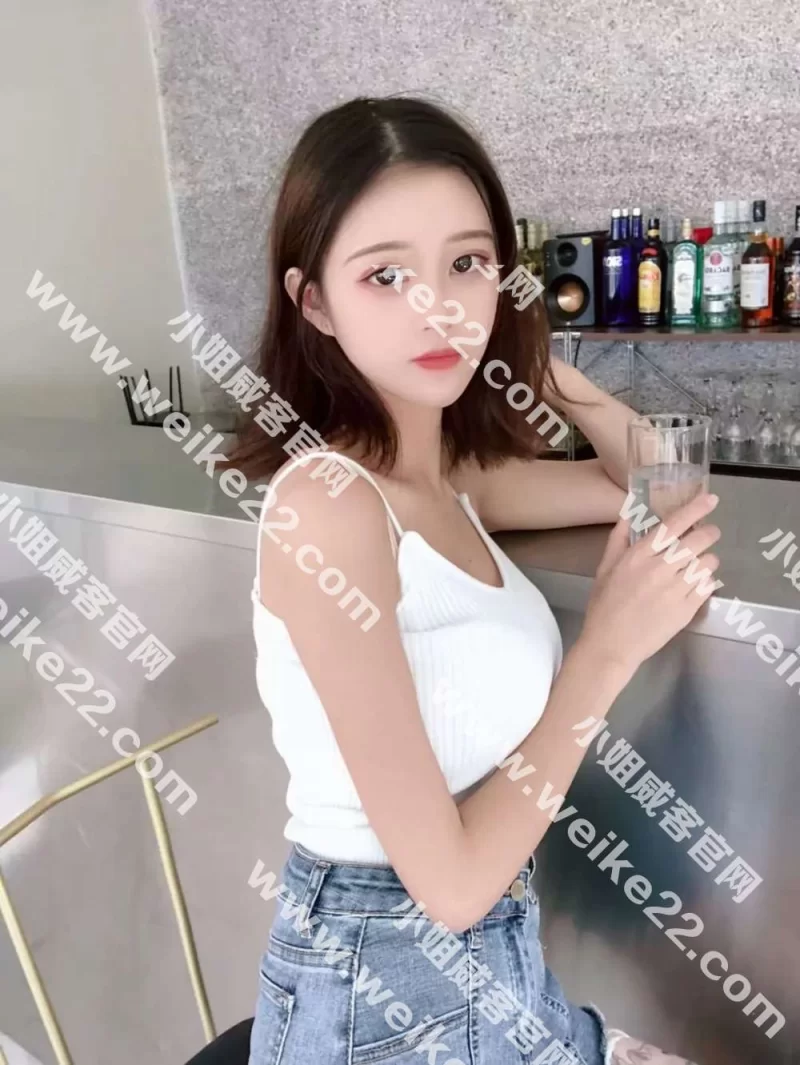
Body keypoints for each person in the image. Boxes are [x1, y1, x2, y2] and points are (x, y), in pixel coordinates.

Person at [222, 94, 721, 1065]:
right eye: (385, 275)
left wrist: (540, 363)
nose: (438, 308)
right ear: (313, 302)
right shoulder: (328, 505)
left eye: (467, 263)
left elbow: (658, 479)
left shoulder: (448, 481)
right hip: (379, 994)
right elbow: (448, 888)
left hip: (500, 972)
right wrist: (607, 649)